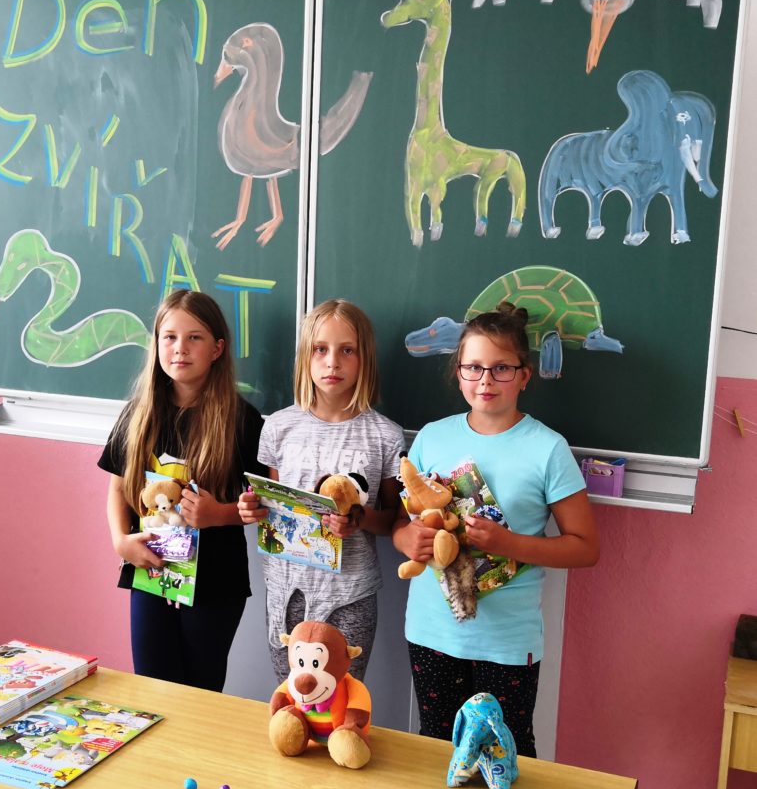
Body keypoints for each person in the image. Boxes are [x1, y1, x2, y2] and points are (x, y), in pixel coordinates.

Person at [392, 303, 599, 757]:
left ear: (525, 375)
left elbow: (585, 548)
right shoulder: (432, 437)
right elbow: (403, 524)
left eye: (501, 368)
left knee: (505, 753)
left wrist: (509, 544)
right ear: (458, 372)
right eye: (473, 367)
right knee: (437, 749)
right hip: (432, 630)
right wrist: (409, 540)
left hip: (506, 640)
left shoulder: (548, 449)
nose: (485, 380)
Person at [98, 289, 265, 695]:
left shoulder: (242, 421)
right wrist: (120, 541)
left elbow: (261, 506)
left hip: (215, 581)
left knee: (200, 694)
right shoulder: (139, 414)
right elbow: (117, 487)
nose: (180, 348)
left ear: (217, 349)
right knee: (153, 691)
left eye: (194, 338)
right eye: (169, 337)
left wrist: (217, 514)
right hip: (151, 569)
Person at [237, 299, 404, 683]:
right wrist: (253, 508)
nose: (333, 362)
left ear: (365, 358)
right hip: (287, 590)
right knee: (292, 697)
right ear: (306, 357)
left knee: (343, 695)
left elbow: (393, 521)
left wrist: (359, 519)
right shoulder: (279, 427)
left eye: (347, 350)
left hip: (350, 594)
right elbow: (274, 505)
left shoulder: (384, 435)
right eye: (320, 349)